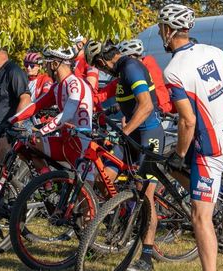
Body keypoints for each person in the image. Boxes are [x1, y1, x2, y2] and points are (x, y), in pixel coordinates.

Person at [159, 4, 223, 271]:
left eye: (160, 29)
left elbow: (187, 121)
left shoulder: (174, 71)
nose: (159, 33)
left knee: (200, 218)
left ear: (168, 31)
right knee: (173, 165)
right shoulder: (214, 51)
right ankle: (219, 195)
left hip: (210, 150)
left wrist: (180, 154)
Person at [84, 39, 166, 271]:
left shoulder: (131, 67)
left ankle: (147, 258)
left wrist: (126, 130)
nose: (100, 71)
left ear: (101, 61)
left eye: (98, 67)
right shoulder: (121, 73)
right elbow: (128, 103)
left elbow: (147, 105)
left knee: (145, 195)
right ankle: (121, 219)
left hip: (149, 135)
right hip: (129, 135)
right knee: (104, 178)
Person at [8, 46, 93, 175]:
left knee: (87, 193)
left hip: (80, 145)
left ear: (54, 64)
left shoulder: (74, 83)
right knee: (29, 145)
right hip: (65, 141)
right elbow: (34, 106)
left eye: (45, 64)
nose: (44, 68)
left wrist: (41, 132)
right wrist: (11, 120)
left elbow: (67, 114)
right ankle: (47, 185)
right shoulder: (57, 87)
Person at [100, 38, 173, 114]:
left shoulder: (136, 71)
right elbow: (113, 87)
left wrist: (96, 98)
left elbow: (115, 86)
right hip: (162, 108)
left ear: (130, 57)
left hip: (158, 111)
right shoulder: (148, 64)